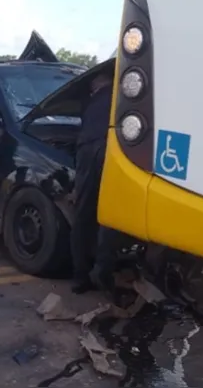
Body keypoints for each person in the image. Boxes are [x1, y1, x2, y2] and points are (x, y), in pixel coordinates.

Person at [70, 70, 114, 294]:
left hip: (90, 150)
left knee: (83, 213)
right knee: (109, 213)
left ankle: (80, 276)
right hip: (112, 150)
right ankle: (103, 271)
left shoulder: (90, 101)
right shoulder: (120, 96)